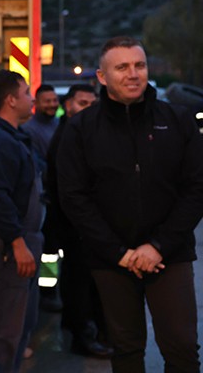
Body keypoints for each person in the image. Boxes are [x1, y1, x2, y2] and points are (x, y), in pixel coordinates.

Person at [57, 36, 203, 372]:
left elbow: (196, 188)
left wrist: (158, 246)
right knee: (125, 349)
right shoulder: (80, 129)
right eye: (122, 67)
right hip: (110, 260)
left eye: (139, 65)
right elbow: (74, 197)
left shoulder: (177, 120)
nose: (133, 74)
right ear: (102, 76)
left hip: (170, 255)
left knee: (182, 348)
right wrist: (118, 252)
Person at [0, 70, 43, 373]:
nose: (32, 99)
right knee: (4, 330)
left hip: (23, 242)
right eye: (27, 93)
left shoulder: (13, 136)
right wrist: (17, 244)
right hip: (11, 247)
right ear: (12, 100)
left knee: (20, 325)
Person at [43, 84, 112, 358]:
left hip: (86, 225)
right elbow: (69, 188)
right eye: (82, 103)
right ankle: (82, 336)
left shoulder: (85, 133)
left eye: (92, 104)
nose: (89, 109)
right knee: (78, 282)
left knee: (85, 281)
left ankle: (88, 330)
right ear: (68, 104)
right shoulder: (67, 136)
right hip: (74, 225)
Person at [21, 83, 59, 170]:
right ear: (36, 103)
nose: (52, 105)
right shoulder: (27, 129)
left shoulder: (60, 123)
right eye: (47, 101)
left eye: (55, 100)